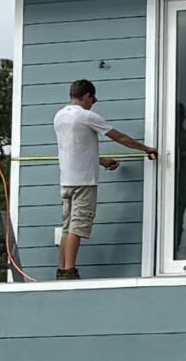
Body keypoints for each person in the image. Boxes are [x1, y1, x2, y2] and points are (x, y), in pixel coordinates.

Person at [51, 79, 156, 278]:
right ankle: (70, 271)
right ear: (86, 96)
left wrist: (101, 160)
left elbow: (75, 148)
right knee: (77, 226)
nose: (93, 102)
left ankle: (61, 270)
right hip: (84, 182)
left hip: (66, 180)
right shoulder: (86, 116)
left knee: (66, 227)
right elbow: (120, 137)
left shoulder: (60, 116)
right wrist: (146, 149)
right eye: (93, 99)